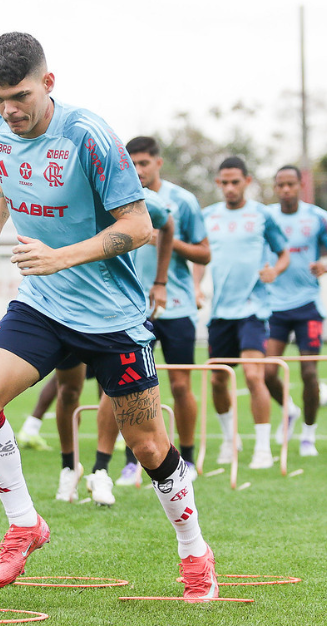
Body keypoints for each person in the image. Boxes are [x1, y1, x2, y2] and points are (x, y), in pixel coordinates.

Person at [0, 33, 217, 599]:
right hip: (42, 303)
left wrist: (60, 257)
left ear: (48, 83)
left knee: (148, 447)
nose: (9, 110)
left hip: (112, 317)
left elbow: (139, 226)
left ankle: (194, 550)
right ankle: (25, 523)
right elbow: (11, 179)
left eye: (20, 96)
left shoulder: (90, 136)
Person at [53, 189, 176, 505]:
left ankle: (101, 471)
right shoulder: (60, 188)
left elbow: (166, 222)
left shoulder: (136, 197)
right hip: (64, 309)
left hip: (114, 313)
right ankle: (69, 467)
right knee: (67, 392)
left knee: (114, 389)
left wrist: (160, 281)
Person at [121, 136, 210, 482]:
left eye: (144, 163)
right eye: (133, 164)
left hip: (177, 306)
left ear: (158, 163)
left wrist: (167, 241)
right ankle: (132, 463)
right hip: (132, 308)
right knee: (132, 388)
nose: (138, 170)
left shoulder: (182, 201)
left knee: (181, 385)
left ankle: (186, 460)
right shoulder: (122, 199)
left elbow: (205, 254)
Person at [193, 156, 289, 469]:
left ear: (247, 181)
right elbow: (200, 257)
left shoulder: (262, 214)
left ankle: (263, 448)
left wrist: (275, 270)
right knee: (219, 380)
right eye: (224, 182)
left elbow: (284, 252)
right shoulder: (208, 216)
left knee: (252, 374)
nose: (230, 187)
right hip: (220, 311)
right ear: (218, 183)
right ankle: (229, 439)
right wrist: (196, 286)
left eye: (236, 182)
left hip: (253, 308)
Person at [263, 165, 327, 456]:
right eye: (280, 185)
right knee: (267, 373)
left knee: (309, 373)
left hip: (307, 306)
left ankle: (308, 436)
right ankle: (289, 411)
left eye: (291, 184)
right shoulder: (266, 217)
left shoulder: (318, 217)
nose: (286, 189)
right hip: (273, 306)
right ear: (275, 188)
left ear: (301, 186)